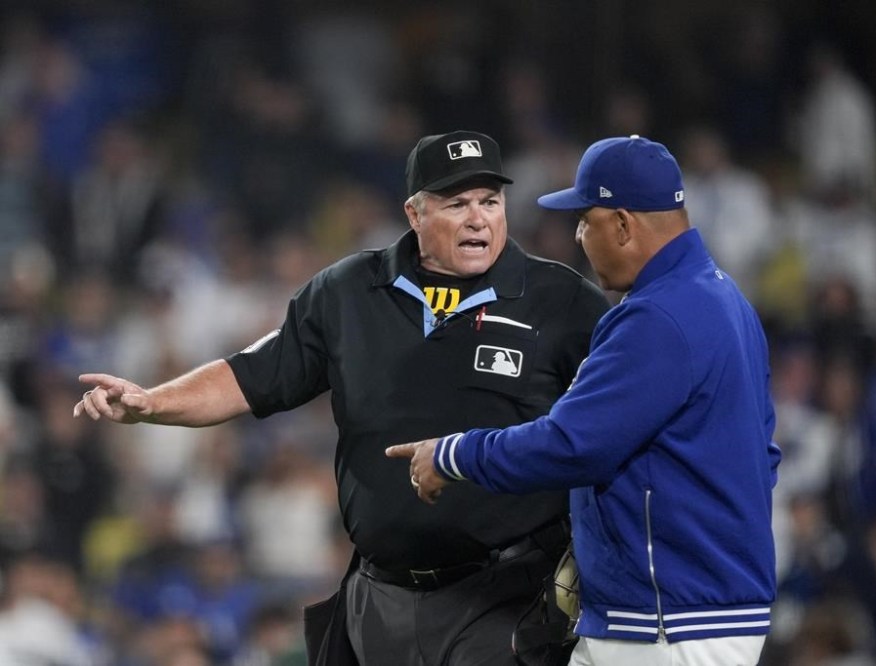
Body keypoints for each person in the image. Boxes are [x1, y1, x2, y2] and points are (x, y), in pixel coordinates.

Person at [73, 130, 610, 665]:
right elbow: (249, 376)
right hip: (380, 598)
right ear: (415, 214)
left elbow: (620, 418)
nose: (479, 219)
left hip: (508, 596)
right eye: (456, 204)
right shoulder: (348, 291)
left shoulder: (560, 301)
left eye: (490, 202)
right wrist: (149, 402)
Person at [388, 135, 782, 666]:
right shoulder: (722, 299)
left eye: (584, 219)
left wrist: (453, 455)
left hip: (668, 624)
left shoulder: (660, 317)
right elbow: (762, 456)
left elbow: (571, 444)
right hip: (683, 610)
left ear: (621, 224)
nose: (577, 235)